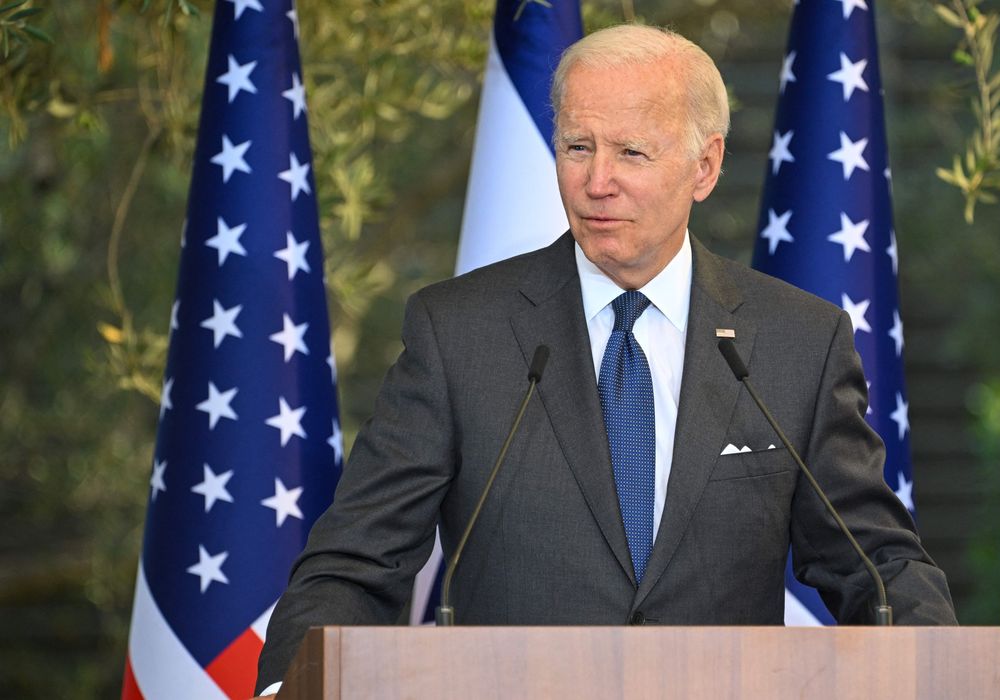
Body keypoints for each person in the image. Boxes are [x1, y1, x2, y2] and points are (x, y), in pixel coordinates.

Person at [255, 23, 955, 696]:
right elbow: (357, 560)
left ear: (704, 166)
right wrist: (290, 689)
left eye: (631, 153)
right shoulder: (459, 333)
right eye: (577, 147)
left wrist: (945, 678)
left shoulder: (797, 341)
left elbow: (875, 561)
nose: (596, 182)